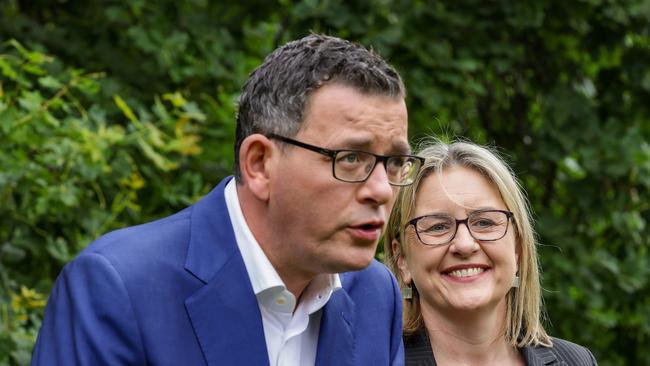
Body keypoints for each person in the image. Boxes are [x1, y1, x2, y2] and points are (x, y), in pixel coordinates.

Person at [32, 34, 424, 366]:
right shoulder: (119, 288)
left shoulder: (375, 294)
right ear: (259, 164)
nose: (382, 190)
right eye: (351, 158)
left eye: (395, 163)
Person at [384, 139, 597, 365]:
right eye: (438, 226)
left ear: (517, 248)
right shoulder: (377, 360)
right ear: (402, 259)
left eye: (485, 222)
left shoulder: (577, 361)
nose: (465, 245)